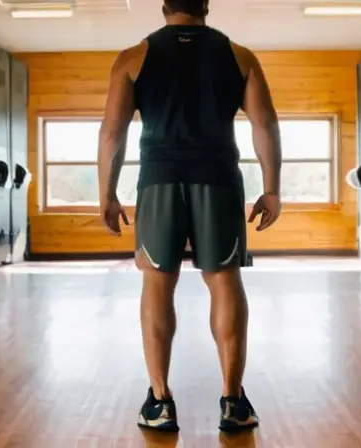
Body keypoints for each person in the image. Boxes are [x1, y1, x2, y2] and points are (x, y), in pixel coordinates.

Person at [96, 0, 282, 433]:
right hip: (217, 180)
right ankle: (233, 403)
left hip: (158, 181)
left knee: (157, 283)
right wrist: (272, 189)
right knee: (224, 280)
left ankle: (160, 404)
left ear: (164, 7)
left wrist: (107, 193)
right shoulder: (240, 56)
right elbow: (265, 124)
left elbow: (112, 131)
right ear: (206, 6)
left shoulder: (132, 58)